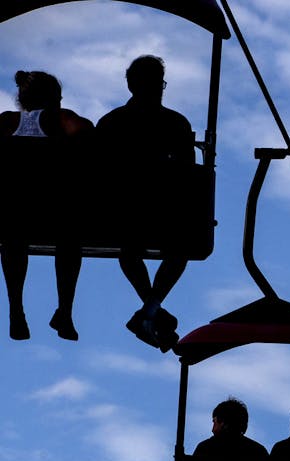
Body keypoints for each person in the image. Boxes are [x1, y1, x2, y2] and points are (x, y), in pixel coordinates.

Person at [96, 55, 193, 351]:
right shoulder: (176, 123)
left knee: (130, 250)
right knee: (179, 249)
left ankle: (150, 312)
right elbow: (188, 173)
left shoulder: (111, 122)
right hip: (158, 213)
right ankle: (150, 312)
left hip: (121, 214)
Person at [1, 70, 93, 341]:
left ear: (22, 98)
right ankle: (65, 310)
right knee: (69, 241)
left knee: (13, 240)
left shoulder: (7, 122)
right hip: (56, 212)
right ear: (56, 99)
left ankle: (16, 309)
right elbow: (88, 133)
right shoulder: (63, 119)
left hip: (14, 212)